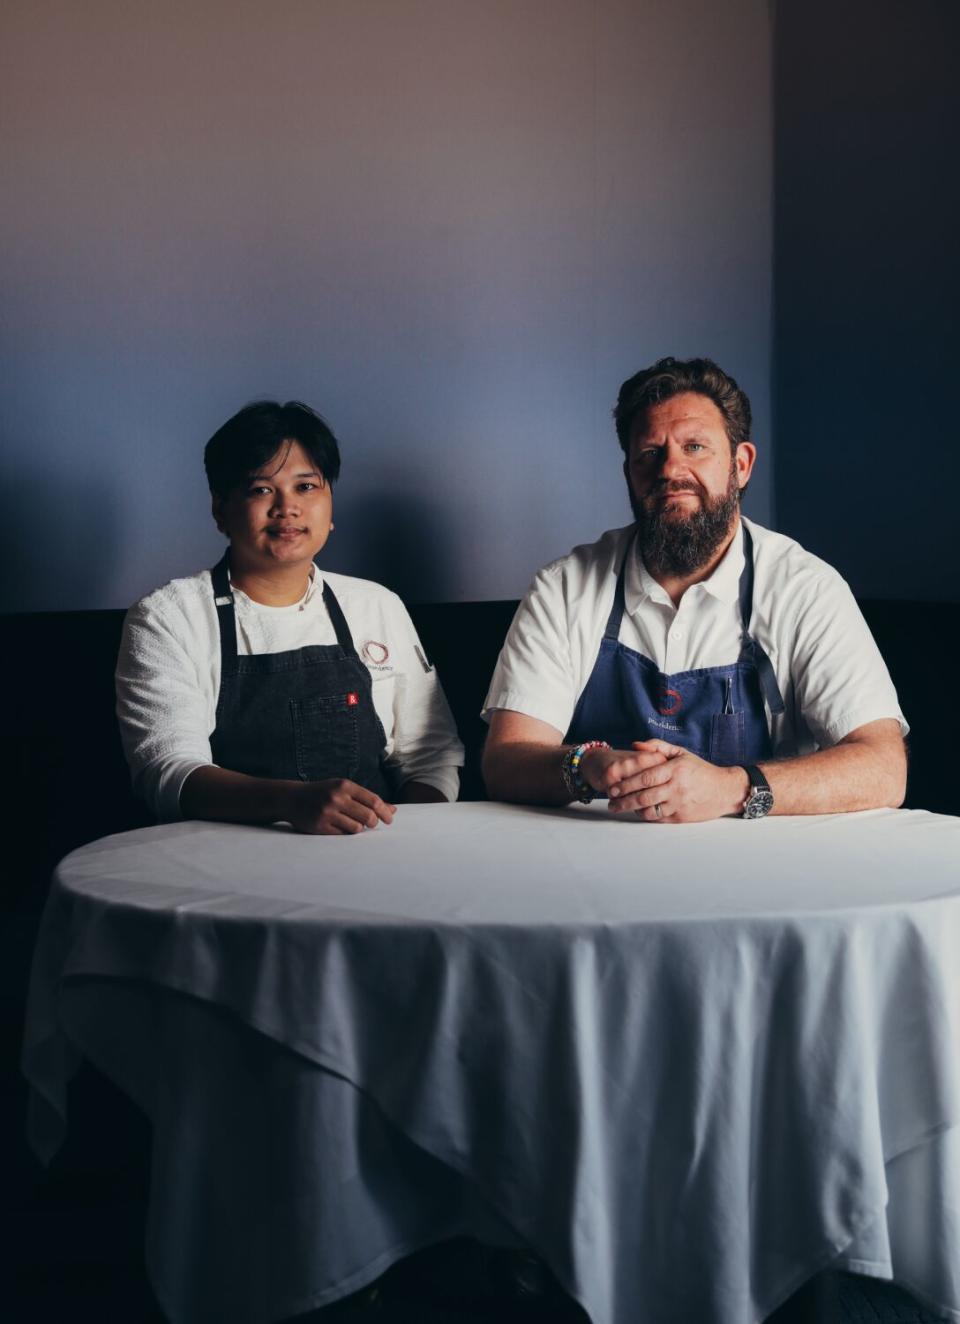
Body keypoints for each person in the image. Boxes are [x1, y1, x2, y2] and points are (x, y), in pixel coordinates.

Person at [482, 357, 907, 821]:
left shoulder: (805, 590)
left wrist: (733, 788)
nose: (671, 470)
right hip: (597, 861)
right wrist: (590, 764)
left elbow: (884, 767)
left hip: (760, 871)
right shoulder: (564, 588)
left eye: (695, 447)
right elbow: (505, 759)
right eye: (650, 454)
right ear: (629, 474)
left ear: (740, 465)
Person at [117, 401, 463, 834]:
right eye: (261, 489)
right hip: (223, 869)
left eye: (306, 487)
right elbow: (168, 772)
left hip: (374, 857)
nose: (287, 508)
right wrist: (290, 802)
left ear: (330, 504)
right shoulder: (168, 617)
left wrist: (405, 841)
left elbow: (431, 757)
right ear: (220, 509)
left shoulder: (376, 605)